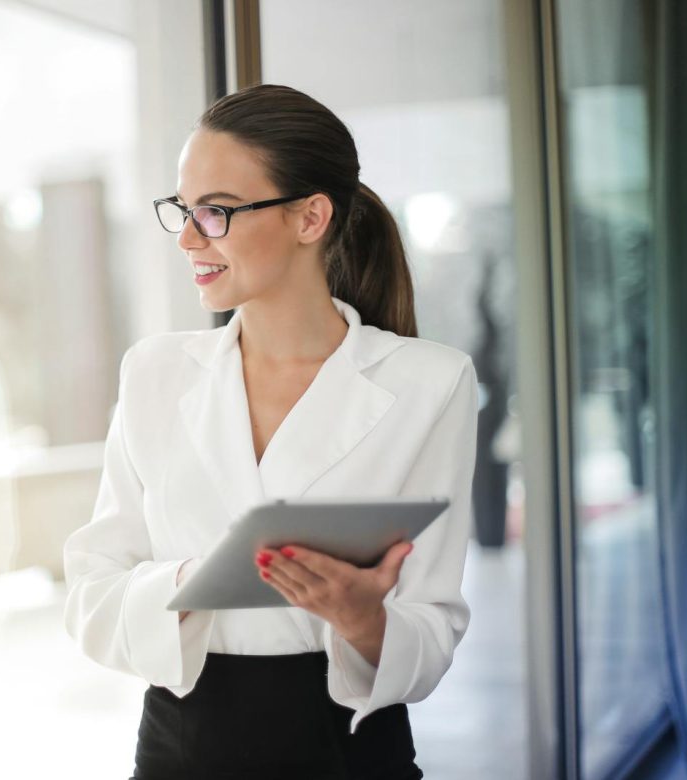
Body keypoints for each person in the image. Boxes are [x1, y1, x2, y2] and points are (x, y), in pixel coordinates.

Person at [62, 83, 479, 779]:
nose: (190, 238)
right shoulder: (155, 373)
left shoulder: (429, 383)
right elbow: (91, 595)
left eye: (217, 212)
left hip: (345, 751)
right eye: (184, 210)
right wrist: (200, 580)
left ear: (311, 216)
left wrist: (362, 619)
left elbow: (433, 628)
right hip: (180, 749)